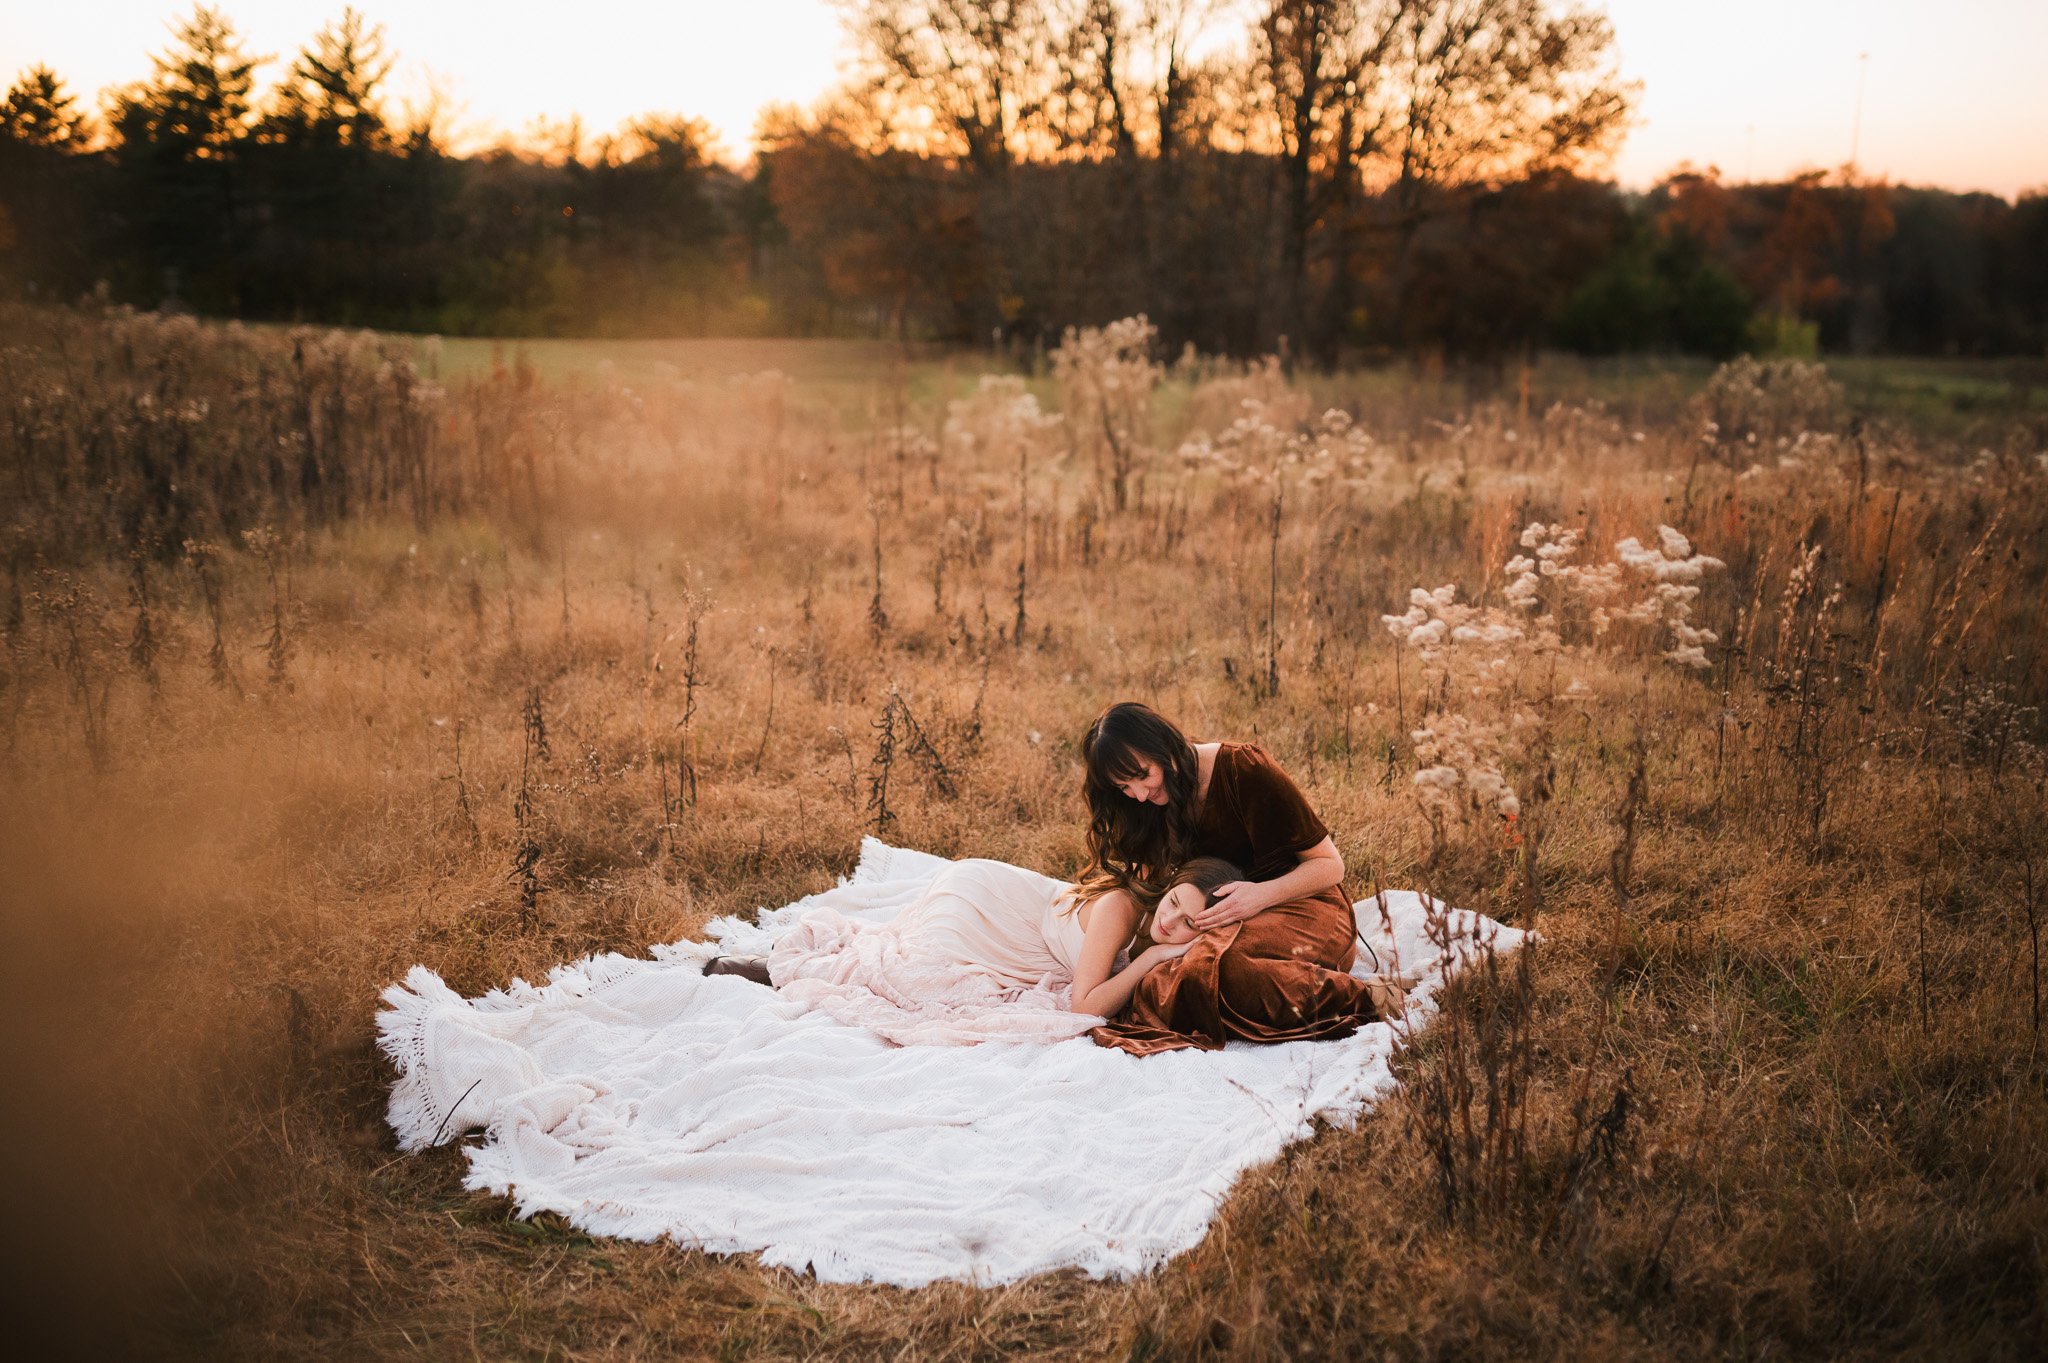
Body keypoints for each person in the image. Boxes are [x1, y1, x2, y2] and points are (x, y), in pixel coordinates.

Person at [1074, 700, 1404, 1056]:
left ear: (1163, 745)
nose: (1139, 795)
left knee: (1214, 970)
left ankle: (1372, 996)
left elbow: (1329, 865)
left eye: (1142, 775)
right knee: (1161, 981)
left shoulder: (1244, 769)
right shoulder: (1146, 804)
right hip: (1228, 924)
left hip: (1300, 906)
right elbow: (1147, 889)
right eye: (1124, 787)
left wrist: (1260, 896)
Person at [697, 855, 1228, 1046]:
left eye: (1187, 925)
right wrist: (1152, 960)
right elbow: (1085, 1006)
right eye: (1176, 902)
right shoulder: (1122, 910)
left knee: (916, 970)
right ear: (1171, 884)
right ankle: (774, 968)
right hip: (990, 911)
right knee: (908, 978)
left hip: (1014, 924)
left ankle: (782, 961)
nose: (1172, 921)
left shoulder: (1167, 934)